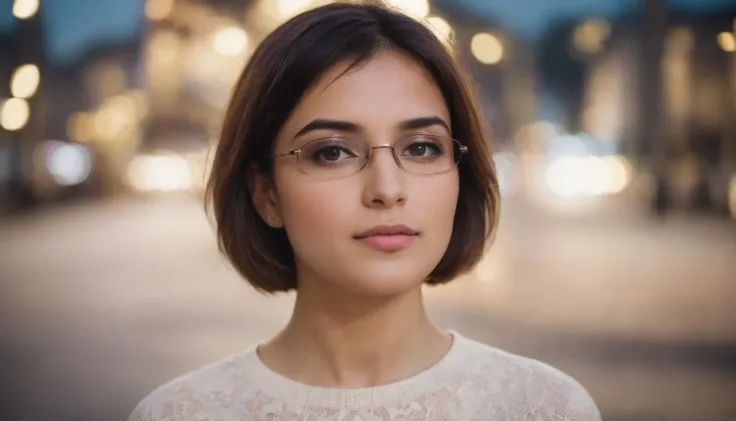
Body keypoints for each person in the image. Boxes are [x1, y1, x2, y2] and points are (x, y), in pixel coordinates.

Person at [128, 2, 602, 420]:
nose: (387, 189)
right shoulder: (180, 413)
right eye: (332, 152)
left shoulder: (543, 408)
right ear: (266, 194)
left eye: (420, 147)